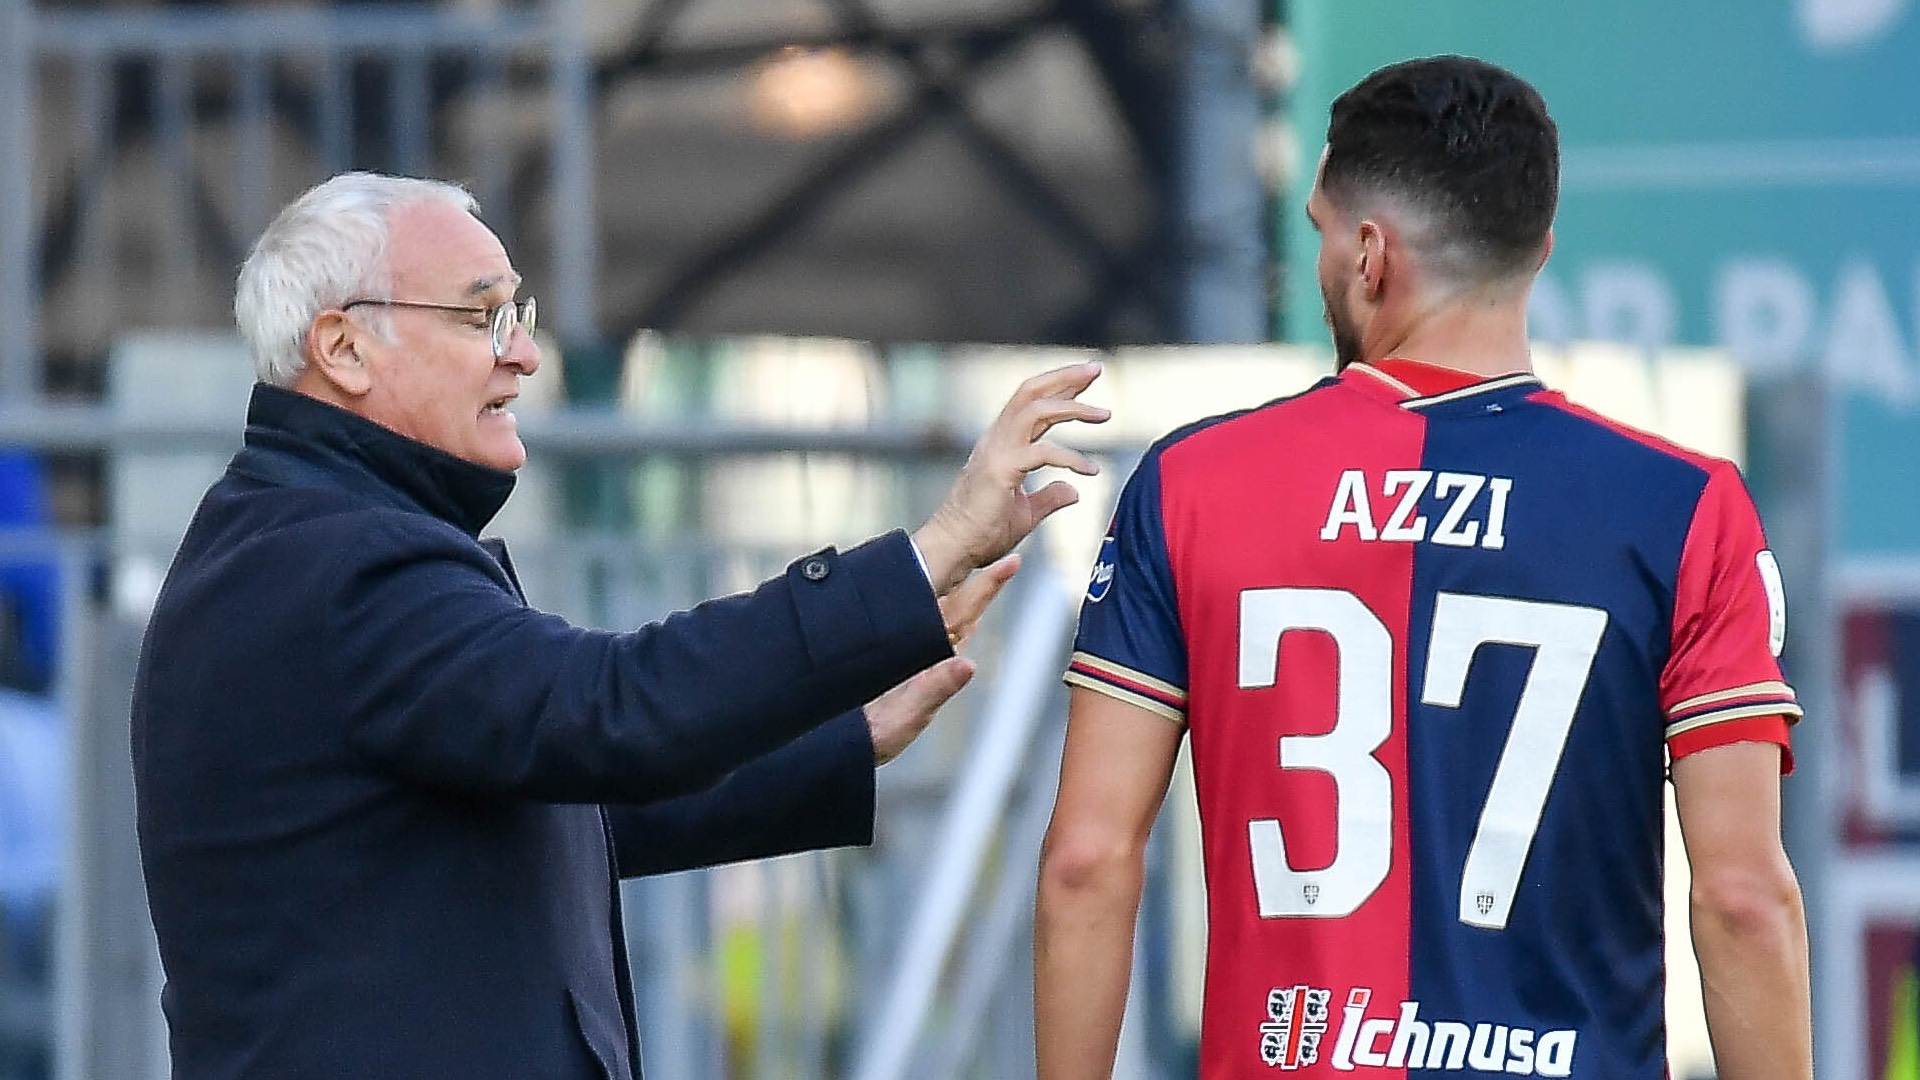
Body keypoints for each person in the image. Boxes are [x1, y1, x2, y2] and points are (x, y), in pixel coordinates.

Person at [131, 170, 1108, 1080]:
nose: (522, 352)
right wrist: (927, 553)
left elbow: (543, 808)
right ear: (342, 348)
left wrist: (845, 734)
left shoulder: (298, 544)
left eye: (517, 312)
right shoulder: (339, 565)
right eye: (481, 314)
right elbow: (620, 711)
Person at [1034, 55, 1810, 1080]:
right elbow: (1744, 900)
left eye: (1317, 232)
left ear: (1369, 254)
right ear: (1537, 247)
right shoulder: (1682, 509)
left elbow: (1086, 868)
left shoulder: (1191, 485)